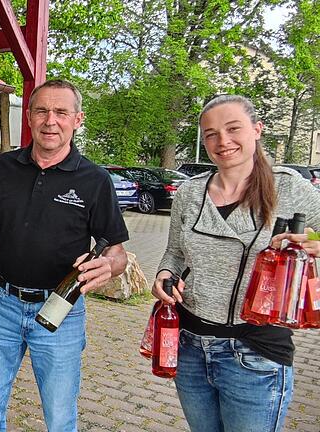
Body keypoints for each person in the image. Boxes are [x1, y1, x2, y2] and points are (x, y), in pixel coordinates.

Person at [0, 79, 129, 431]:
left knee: (60, 417)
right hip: (2, 303)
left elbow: (118, 254)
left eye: (61, 112)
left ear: (77, 120)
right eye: (42, 111)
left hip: (61, 308)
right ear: (29, 117)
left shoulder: (95, 180)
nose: (51, 120)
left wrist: (109, 266)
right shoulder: (3, 168)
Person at [153, 94, 320, 432]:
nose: (222, 141)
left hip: (256, 354)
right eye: (211, 133)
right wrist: (164, 275)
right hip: (190, 348)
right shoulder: (190, 192)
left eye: (233, 129)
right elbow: (174, 253)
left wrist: (316, 245)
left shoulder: (289, 187)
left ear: (257, 130)